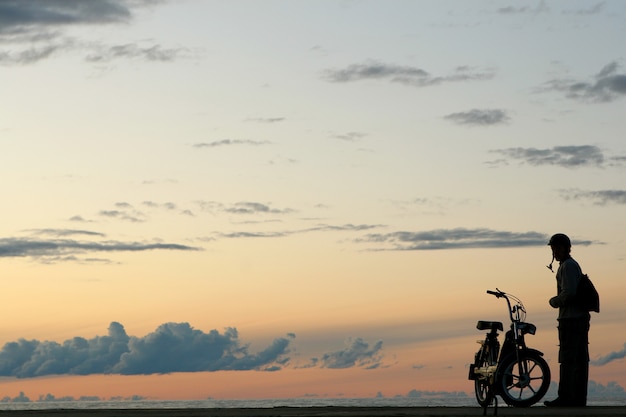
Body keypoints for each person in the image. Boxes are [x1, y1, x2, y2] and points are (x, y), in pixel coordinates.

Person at [544, 233, 590, 407]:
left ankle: (565, 398)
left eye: (557, 248)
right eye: (553, 248)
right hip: (578, 318)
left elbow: (569, 293)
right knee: (578, 360)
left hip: (570, 319)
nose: (554, 252)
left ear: (565, 248)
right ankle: (578, 399)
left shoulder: (568, 266)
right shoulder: (572, 265)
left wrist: (553, 301)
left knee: (568, 359)